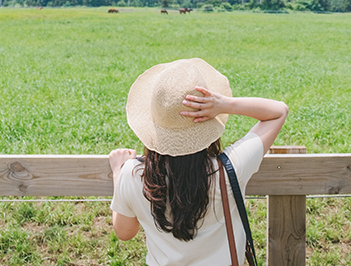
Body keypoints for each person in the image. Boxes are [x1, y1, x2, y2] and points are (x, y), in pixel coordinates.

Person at [109, 58, 288, 266]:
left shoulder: (133, 174)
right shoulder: (230, 168)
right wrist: (224, 105)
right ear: (207, 121)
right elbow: (278, 112)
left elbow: (124, 232)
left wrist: (117, 173)